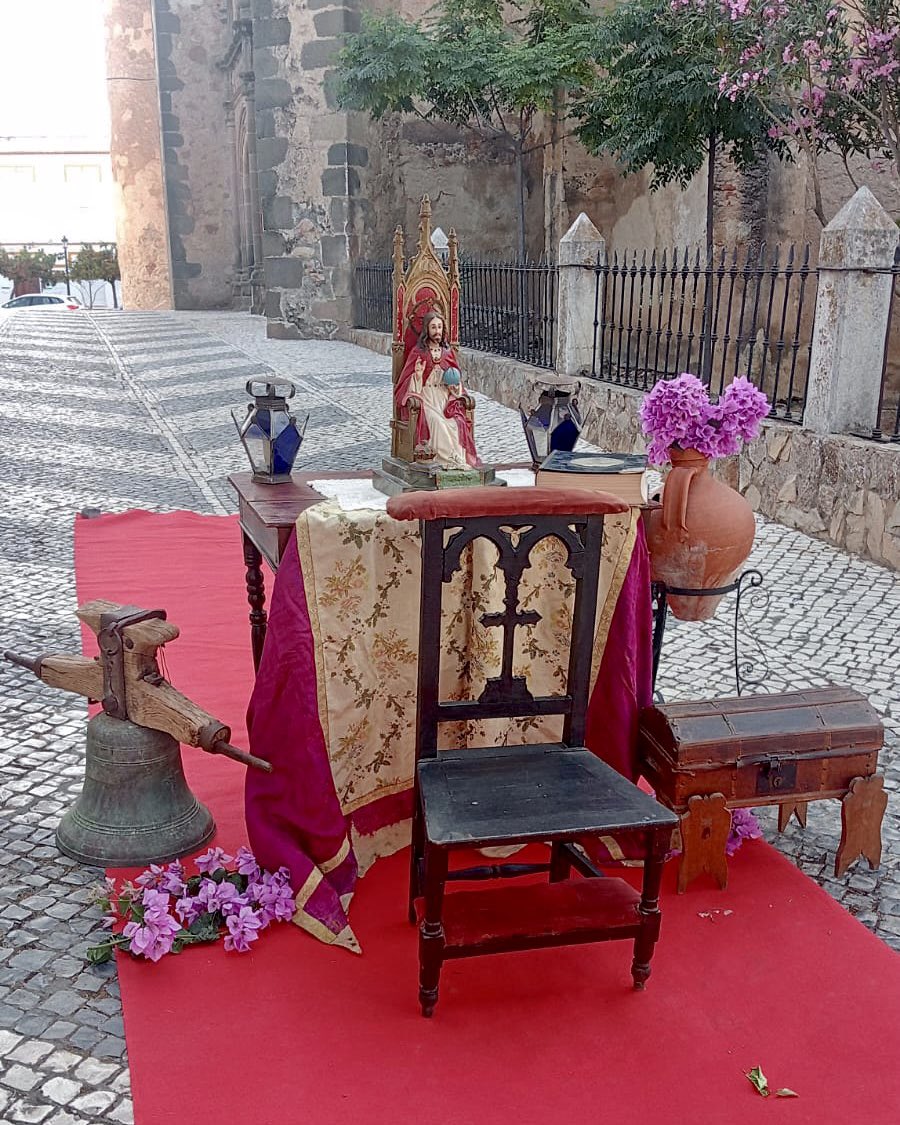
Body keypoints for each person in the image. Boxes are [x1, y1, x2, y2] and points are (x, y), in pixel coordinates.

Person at [394, 311, 481, 470]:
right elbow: (406, 381)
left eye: (440, 327)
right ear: (427, 329)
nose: (437, 331)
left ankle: (456, 458)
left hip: (444, 398)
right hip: (426, 398)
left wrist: (454, 386)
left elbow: (456, 380)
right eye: (433, 327)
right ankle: (445, 460)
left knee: (455, 422)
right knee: (437, 422)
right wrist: (418, 375)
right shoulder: (418, 352)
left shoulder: (447, 352)